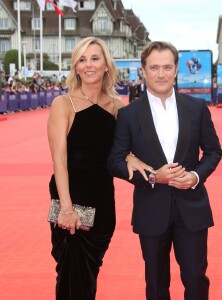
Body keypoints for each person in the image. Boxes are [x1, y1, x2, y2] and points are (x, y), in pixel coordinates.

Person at [108, 41, 222, 300]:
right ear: (144, 70)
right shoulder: (129, 114)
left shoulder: (196, 108)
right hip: (151, 210)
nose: (161, 74)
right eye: (154, 67)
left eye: (167, 67)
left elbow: (214, 151)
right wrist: (151, 177)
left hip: (192, 209)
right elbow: (114, 161)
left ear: (176, 70)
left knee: (195, 278)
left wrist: (195, 176)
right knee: (156, 284)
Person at [47, 36, 150, 300]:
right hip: (70, 198)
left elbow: (119, 151)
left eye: (95, 58)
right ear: (75, 67)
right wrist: (67, 210)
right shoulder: (63, 104)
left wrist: (130, 157)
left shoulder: (117, 107)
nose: (88, 65)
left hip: (103, 201)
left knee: (90, 272)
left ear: (106, 65)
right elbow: (59, 161)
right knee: (71, 274)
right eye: (82, 59)